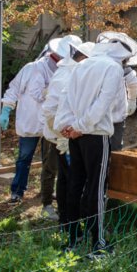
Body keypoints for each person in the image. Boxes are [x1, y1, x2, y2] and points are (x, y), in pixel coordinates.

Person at [55, 40, 133, 259]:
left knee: (75, 184)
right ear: (122, 57)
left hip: (75, 134)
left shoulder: (82, 65)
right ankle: (98, 244)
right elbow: (104, 102)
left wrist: (69, 126)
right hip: (95, 134)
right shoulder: (113, 67)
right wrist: (80, 127)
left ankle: (73, 238)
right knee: (97, 187)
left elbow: (66, 98)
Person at [0, 34, 80, 210]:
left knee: (51, 162)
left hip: (50, 125)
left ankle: (47, 191)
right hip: (30, 122)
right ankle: (17, 191)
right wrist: (6, 109)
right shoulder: (32, 68)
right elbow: (14, 89)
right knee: (24, 157)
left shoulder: (67, 71)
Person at [41, 41, 93, 229]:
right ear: (84, 59)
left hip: (64, 133)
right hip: (62, 135)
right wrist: (62, 136)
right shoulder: (66, 76)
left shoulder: (70, 72)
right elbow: (50, 111)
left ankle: (66, 219)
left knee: (65, 177)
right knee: (71, 178)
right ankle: (70, 221)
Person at [95, 32, 137, 152]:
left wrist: (132, 100)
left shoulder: (125, 68)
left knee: (116, 149)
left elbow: (132, 83)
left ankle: (114, 170)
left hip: (118, 116)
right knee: (101, 149)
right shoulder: (101, 65)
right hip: (100, 116)